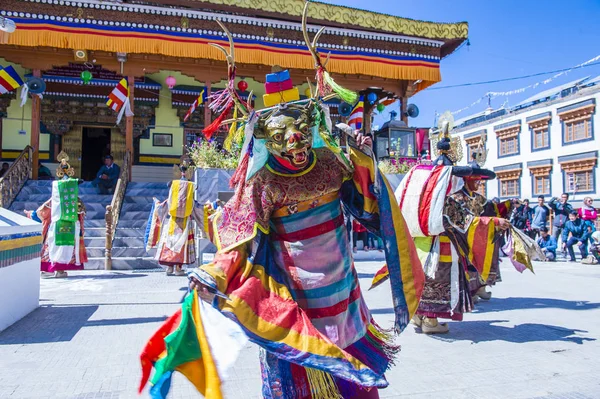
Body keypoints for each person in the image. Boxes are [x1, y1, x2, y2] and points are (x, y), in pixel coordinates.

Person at [382, 121, 533, 335]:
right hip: (442, 248)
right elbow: (468, 223)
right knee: (438, 281)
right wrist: (495, 222)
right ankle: (430, 321)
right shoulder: (447, 200)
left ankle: (418, 316)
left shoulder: (424, 198)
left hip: (420, 245)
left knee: (421, 279)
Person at [24, 152, 87, 278]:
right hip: (67, 225)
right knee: (62, 248)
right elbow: (81, 213)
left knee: (54, 246)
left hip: (57, 224)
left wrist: (33, 214)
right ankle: (57, 270)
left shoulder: (55, 199)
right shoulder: (71, 199)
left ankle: (50, 269)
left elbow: (42, 212)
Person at [145, 162, 203, 276]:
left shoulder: (173, 185)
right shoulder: (191, 186)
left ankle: (169, 268)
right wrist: (209, 208)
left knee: (170, 242)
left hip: (173, 220)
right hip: (185, 221)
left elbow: (166, 204)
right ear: (188, 172)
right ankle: (178, 268)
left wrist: (157, 205)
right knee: (181, 244)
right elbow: (195, 206)